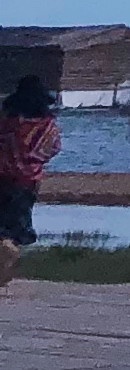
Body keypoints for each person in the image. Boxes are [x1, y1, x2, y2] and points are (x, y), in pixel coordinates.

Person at [0, 74, 57, 290]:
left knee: (3, 226)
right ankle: (6, 262)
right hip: (28, 182)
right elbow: (52, 150)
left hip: (2, 178)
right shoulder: (48, 126)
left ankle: (4, 261)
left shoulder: (7, 124)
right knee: (15, 227)